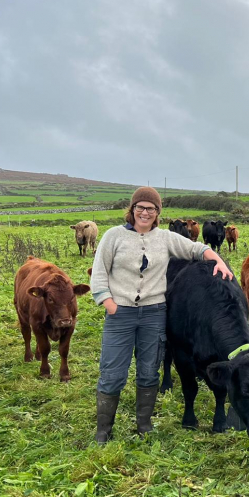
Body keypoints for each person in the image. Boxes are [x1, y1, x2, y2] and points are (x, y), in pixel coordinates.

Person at [90, 186, 233, 444]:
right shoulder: (113, 237)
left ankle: (144, 424)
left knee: (149, 372)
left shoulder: (165, 238)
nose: (145, 213)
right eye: (140, 207)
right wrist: (109, 303)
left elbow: (197, 249)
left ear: (158, 213)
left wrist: (218, 260)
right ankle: (104, 430)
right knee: (112, 372)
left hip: (154, 314)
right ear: (132, 210)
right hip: (120, 314)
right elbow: (99, 272)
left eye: (151, 208)